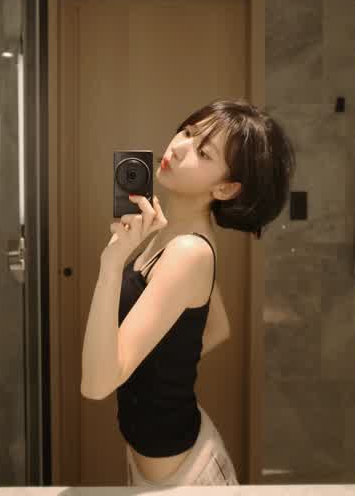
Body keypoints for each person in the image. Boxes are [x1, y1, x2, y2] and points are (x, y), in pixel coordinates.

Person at [81, 98, 296, 486]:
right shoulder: (171, 234)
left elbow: (96, 386)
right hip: (163, 458)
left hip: (185, 477)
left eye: (203, 151)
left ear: (225, 188)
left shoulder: (188, 252)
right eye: (187, 131)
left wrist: (111, 266)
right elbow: (217, 327)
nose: (179, 146)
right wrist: (152, 364)